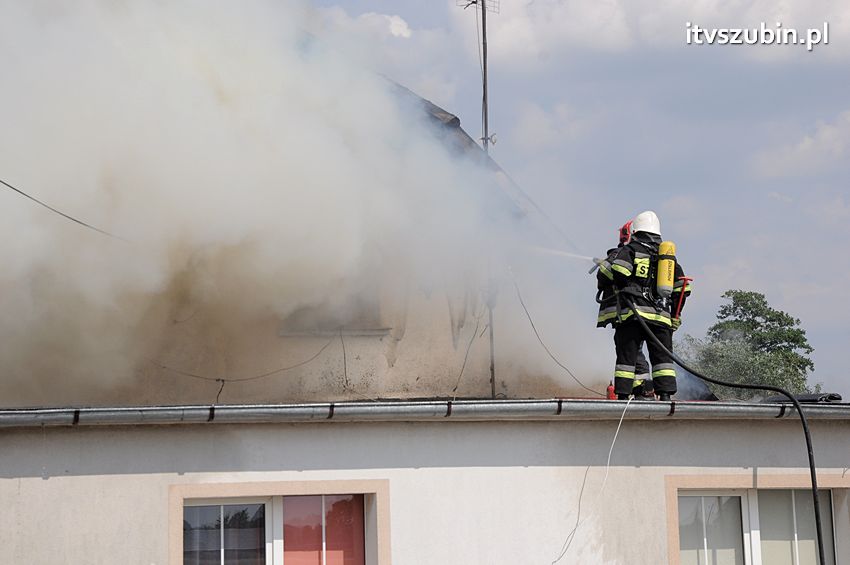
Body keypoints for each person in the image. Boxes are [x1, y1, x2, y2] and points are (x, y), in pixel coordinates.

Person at [595, 211, 691, 401]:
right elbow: (683, 289)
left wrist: (609, 263)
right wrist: (675, 316)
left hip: (634, 313)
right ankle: (665, 396)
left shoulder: (632, 249)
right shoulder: (668, 259)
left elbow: (619, 271)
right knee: (663, 360)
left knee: (627, 357)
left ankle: (622, 395)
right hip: (661, 317)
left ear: (636, 231)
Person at [598, 221, 654, 399]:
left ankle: (638, 390)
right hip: (648, 313)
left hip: (628, 312)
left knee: (629, 350)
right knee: (634, 349)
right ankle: (642, 388)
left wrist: (607, 261)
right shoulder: (651, 254)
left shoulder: (624, 253)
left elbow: (604, 274)